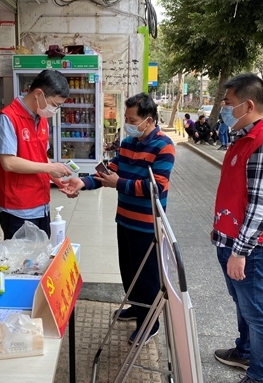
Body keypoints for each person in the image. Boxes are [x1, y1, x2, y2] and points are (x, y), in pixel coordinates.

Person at [63, 93, 175, 345]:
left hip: (147, 225)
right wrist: (82, 182)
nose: (128, 124)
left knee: (146, 276)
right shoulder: (127, 143)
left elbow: (156, 187)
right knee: (128, 270)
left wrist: (119, 183)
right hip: (124, 220)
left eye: (132, 120)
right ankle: (136, 307)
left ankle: (149, 323)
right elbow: (110, 172)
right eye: (127, 118)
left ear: (148, 120)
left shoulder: (164, 146)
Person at [212, 73, 263, 383]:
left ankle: (260, 375)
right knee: (243, 304)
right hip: (232, 241)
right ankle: (244, 352)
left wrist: (240, 252)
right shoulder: (243, 138)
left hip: (251, 250)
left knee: (257, 313)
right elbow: (235, 193)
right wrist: (220, 231)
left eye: (228, 102)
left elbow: (260, 206)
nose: (223, 108)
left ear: (248, 105)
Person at [0, 70, 73, 239]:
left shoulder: (42, 119)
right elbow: (8, 162)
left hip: (41, 203)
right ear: (38, 94)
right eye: (55, 104)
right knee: (21, 255)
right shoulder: (8, 118)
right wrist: (50, 168)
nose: (55, 110)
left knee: (41, 253)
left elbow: (41, 156)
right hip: (18, 207)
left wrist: (58, 180)